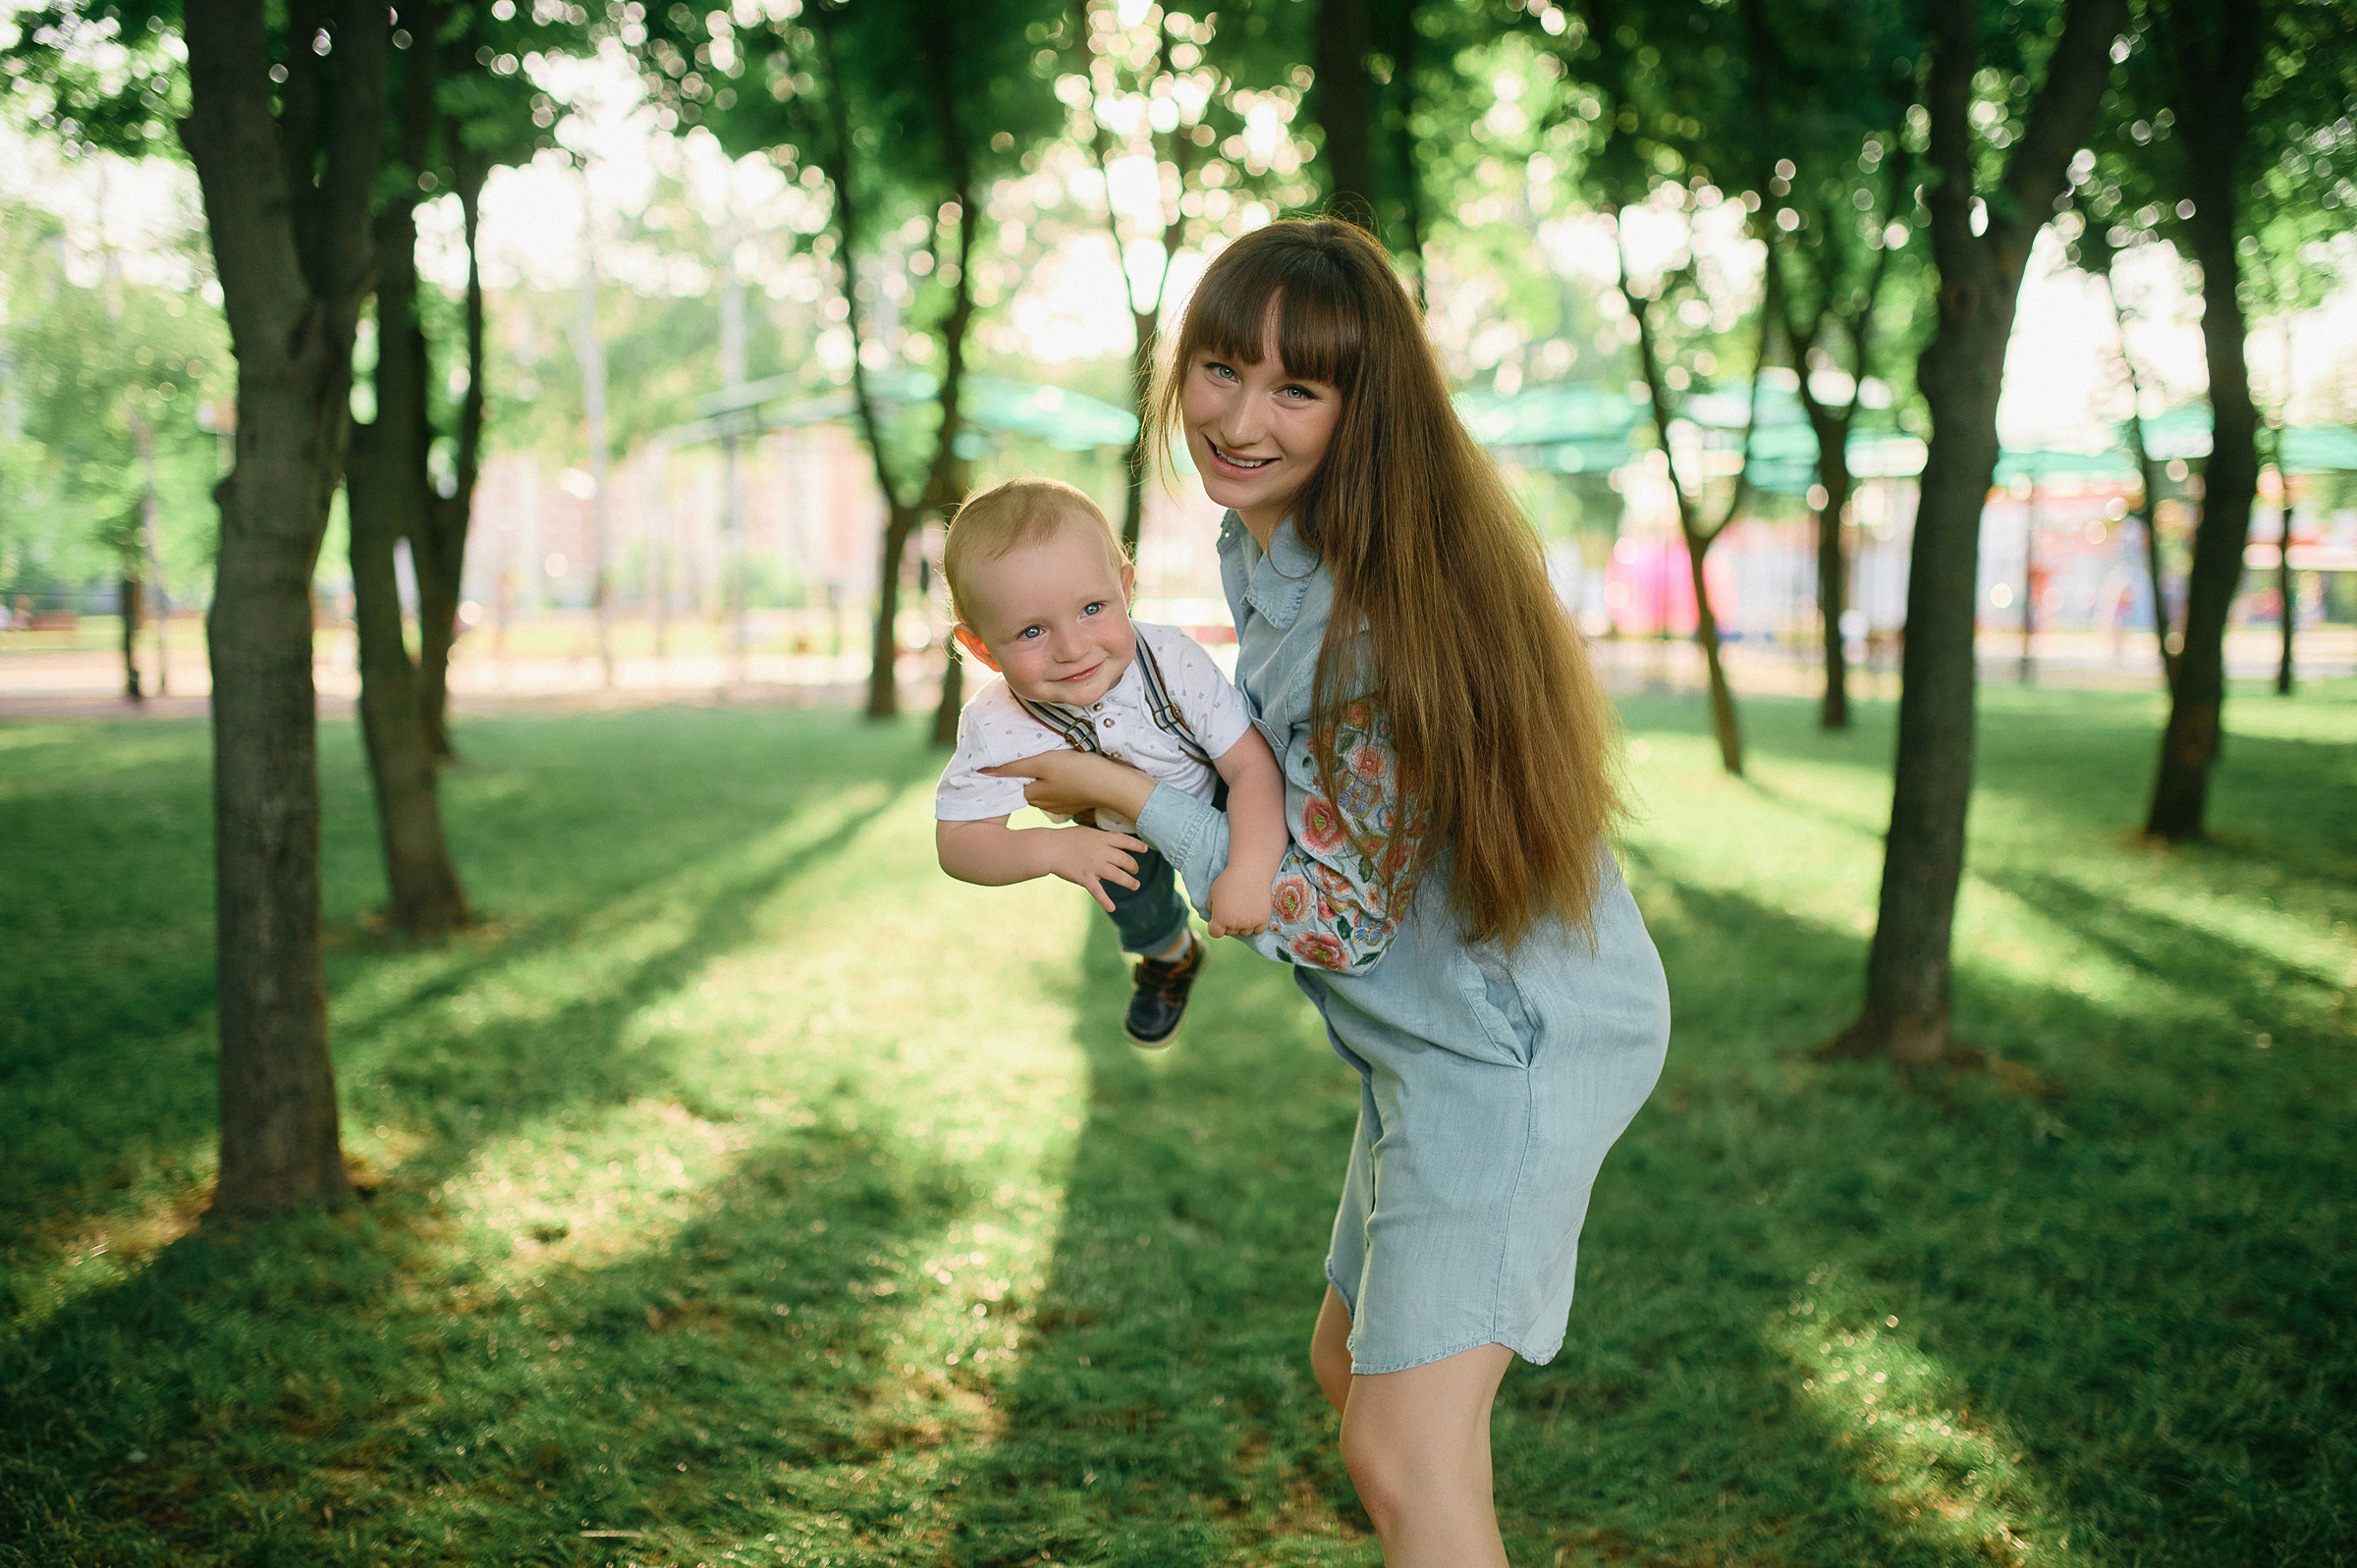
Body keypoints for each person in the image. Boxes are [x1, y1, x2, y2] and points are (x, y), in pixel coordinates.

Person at [990, 220, 1671, 1566]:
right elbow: (1294, 787)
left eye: (1296, 389)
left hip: (1506, 1054)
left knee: (1401, 1451)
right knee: (1348, 1366)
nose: (1239, 419)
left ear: (1364, 410)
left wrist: (1128, 801)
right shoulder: (1291, 544)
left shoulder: (1376, 623)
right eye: (1220, 368)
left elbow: (1325, 911)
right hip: (1436, 1039)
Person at [934, 476, 1290, 1046]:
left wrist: (1248, 869)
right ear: (981, 648)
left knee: (1276, 855)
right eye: (1031, 631)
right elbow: (957, 842)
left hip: (1217, 786)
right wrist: (1049, 848)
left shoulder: (1169, 659)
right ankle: (1171, 956)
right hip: (1116, 834)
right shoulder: (997, 726)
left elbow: (1252, 767)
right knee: (1138, 911)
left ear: (1125, 588)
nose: (1072, 648)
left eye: (1092, 608)